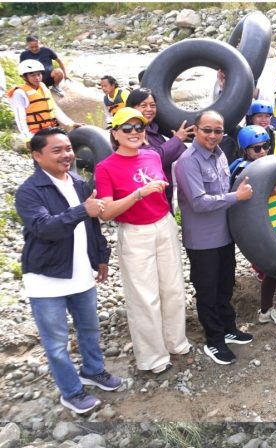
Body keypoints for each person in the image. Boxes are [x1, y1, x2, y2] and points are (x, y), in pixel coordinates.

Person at [16, 127, 120, 414]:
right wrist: (81, 210)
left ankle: (94, 370)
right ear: (37, 156)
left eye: (68, 149)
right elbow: (44, 228)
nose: (67, 155)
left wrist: (101, 257)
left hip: (81, 273)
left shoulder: (77, 182)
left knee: (89, 329)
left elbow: (92, 224)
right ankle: (71, 391)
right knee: (57, 343)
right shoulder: (29, 191)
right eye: (57, 150)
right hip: (46, 279)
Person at [94, 107, 191, 374]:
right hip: (135, 233)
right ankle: (153, 357)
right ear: (115, 133)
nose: (135, 132)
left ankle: (175, 341)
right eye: (127, 128)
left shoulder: (151, 156)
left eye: (139, 127)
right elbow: (106, 213)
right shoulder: (105, 168)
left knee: (172, 289)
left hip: (163, 225)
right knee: (144, 298)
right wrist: (139, 194)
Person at [174, 110, 255, 365]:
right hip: (202, 240)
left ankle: (228, 328)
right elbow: (198, 203)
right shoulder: (188, 161)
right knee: (207, 290)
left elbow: (228, 188)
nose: (212, 135)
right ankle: (214, 340)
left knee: (225, 284)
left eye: (218, 131)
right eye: (207, 130)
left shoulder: (220, 155)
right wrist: (235, 198)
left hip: (223, 234)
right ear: (196, 130)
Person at [231, 125, 276, 333]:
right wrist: (264, 190)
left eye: (266, 147)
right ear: (245, 151)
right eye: (256, 149)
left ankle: (265, 309)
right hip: (263, 232)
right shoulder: (243, 170)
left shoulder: (272, 165)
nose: (262, 152)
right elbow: (240, 199)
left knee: (273, 271)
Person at [125, 88, 196, 207]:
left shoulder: (153, 130)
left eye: (152, 105)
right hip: (146, 198)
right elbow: (155, 158)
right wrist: (177, 139)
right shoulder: (131, 132)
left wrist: (177, 141)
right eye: (143, 105)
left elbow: (179, 155)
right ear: (132, 108)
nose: (149, 109)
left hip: (163, 193)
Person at [8, 59, 76, 143]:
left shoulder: (43, 87)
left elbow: (54, 108)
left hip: (50, 130)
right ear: (24, 77)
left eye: (39, 74)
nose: (37, 78)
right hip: (34, 134)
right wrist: (28, 138)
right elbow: (20, 118)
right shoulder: (19, 93)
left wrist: (70, 124)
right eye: (32, 75)